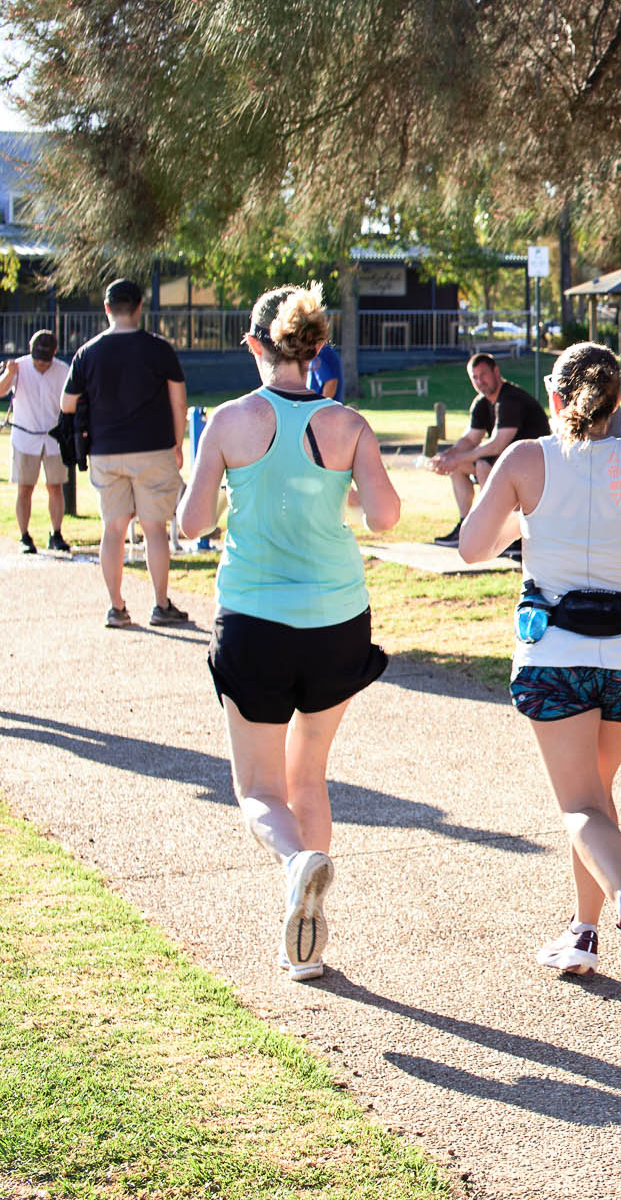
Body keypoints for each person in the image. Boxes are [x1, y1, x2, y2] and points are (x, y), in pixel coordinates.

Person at [457, 342, 621, 988]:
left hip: (555, 656)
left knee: (578, 805)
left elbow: (470, 547)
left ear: (556, 395)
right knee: (597, 796)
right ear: (616, 397)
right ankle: (582, 932)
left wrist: (521, 522)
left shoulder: (523, 458)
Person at [176, 285, 401, 981]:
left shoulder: (230, 421)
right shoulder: (349, 423)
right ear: (314, 348)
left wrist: (227, 481)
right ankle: (307, 941)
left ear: (256, 345)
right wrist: (337, 483)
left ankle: (297, 863)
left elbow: (190, 524)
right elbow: (386, 517)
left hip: (255, 621)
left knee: (259, 791)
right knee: (310, 777)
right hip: (337, 620)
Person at [62, 277, 189, 628]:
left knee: (113, 529)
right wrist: (177, 445)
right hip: (153, 449)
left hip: (105, 452)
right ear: (139, 308)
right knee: (154, 529)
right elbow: (179, 402)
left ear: (106, 309)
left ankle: (116, 607)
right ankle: (161, 604)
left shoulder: (86, 352)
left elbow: (66, 403)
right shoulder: (159, 349)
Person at [428, 352, 547, 547]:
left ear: (496, 372)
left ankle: (498, 531)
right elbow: (470, 439)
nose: (479, 381)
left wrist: (458, 457)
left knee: (484, 466)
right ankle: (467, 528)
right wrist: (447, 457)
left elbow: (498, 444)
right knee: (458, 468)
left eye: (483, 374)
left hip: (535, 464)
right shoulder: (481, 403)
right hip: (508, 462)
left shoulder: (510, 398)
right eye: (474, 377)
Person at [1, 330, 73, 555]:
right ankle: (24, 535)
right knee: (25, 487)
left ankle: (56, 533)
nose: (41, 365)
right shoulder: (19, 367)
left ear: (54, 353)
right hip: (25, 437)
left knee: (55, 486)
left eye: (45, 361)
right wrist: (7, 374)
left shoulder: (63, 370)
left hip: (53, 438)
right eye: (37, 361)